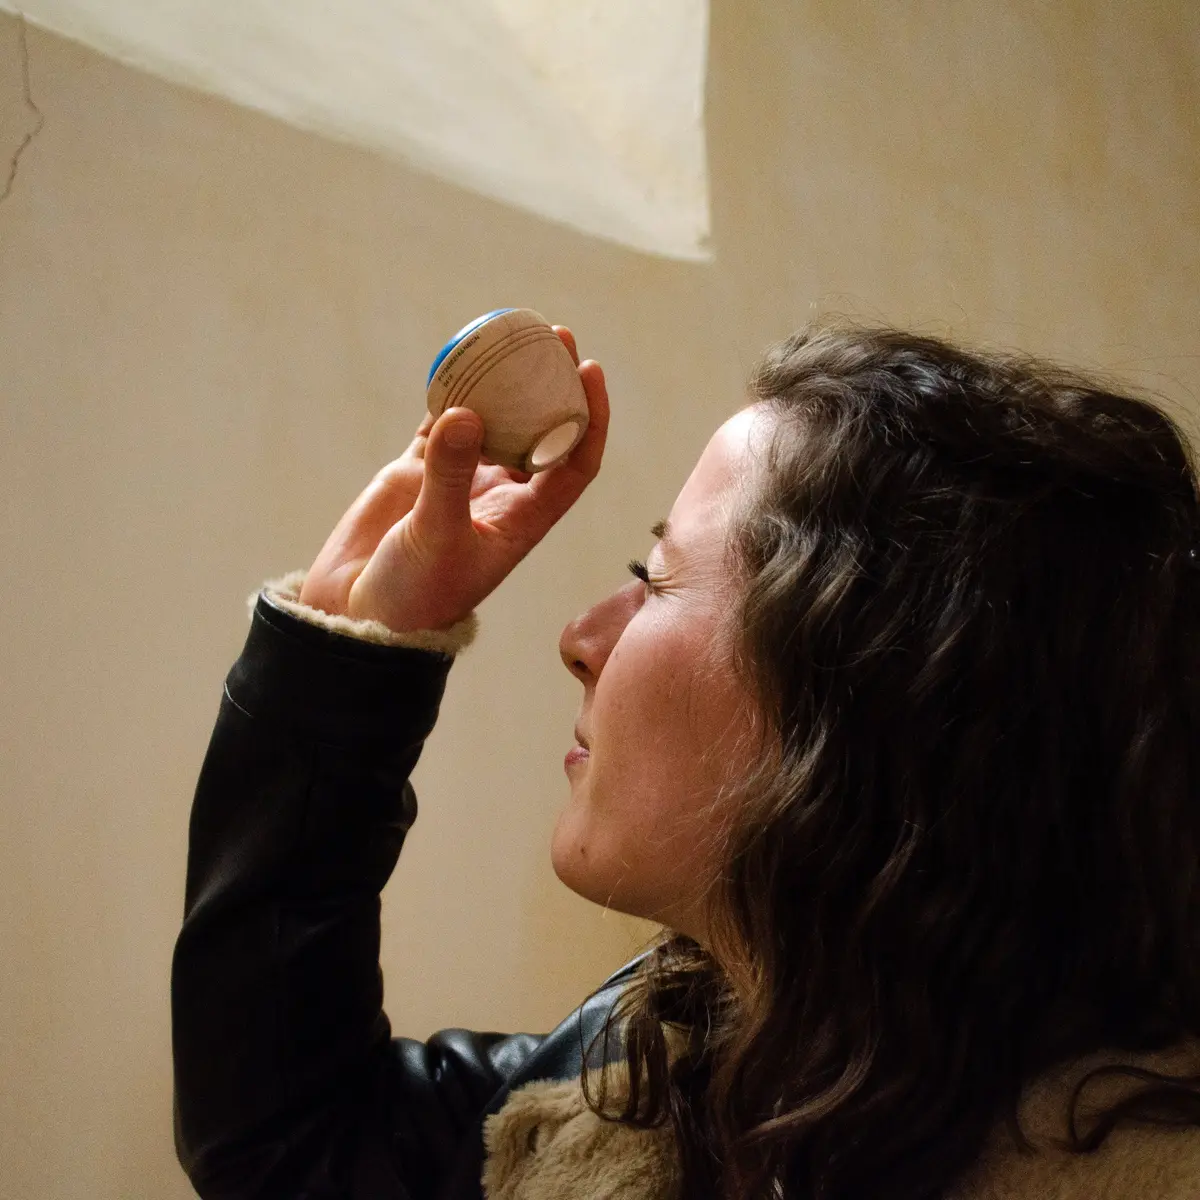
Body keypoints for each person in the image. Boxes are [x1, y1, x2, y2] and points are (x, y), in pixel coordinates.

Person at [172, 322, 1200, 1200]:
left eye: (652, 579)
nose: (579, 636)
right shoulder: (657, 1078)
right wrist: (346, 659)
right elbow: (293, 1146)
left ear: (866, 696)